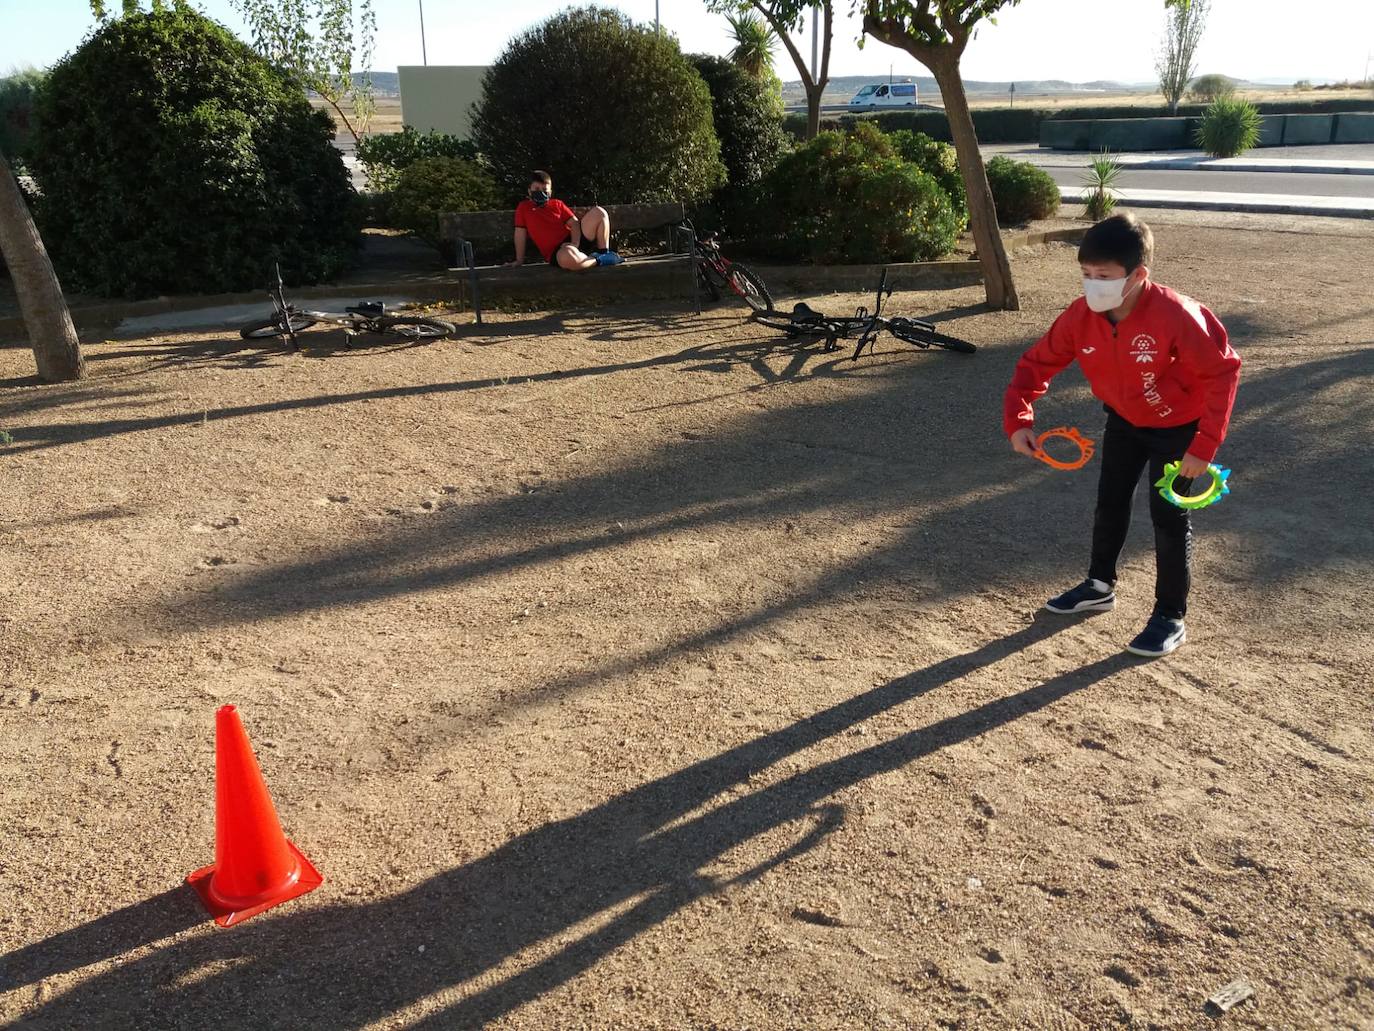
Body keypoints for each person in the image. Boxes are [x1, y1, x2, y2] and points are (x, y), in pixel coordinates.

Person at [1003, 212, 1241, 658]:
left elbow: (1223, 373)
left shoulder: (1177, 315)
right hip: (1125, 422)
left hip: (1178, 430)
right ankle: (1099, 585)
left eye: (1105, 276)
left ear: (1138, 275)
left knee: (1168, 518)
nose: (1094, 285)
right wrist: (1019, 420)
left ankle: (1170, 615)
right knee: (1110, 502)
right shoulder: (1081, 316)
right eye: (1087, 275)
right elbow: (1035, 365)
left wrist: (1202, 448)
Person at [504, 170, 623, 271]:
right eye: (536, 188)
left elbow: (575, 223)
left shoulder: (557, 204)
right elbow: (520, 234)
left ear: (549, 193)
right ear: (529, 190)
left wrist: (575, 243)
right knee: (569, 258)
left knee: (599, 213)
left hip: (573, 241)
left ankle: (603, 253)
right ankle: (599, 260)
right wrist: (519, 260)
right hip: (558, 252)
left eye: (544, 190)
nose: (540, 192)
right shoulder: (523, 208)